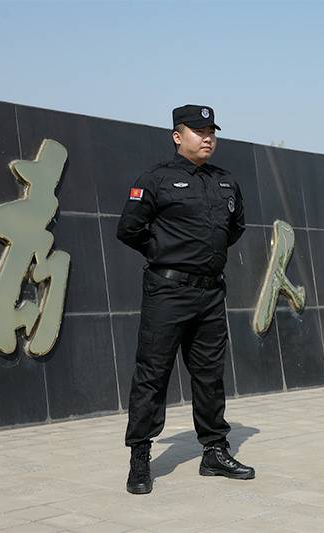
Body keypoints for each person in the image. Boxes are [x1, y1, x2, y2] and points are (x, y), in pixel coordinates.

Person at [117, 104, 254, 495]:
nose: (208, 137)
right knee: (152, 373)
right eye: (199, 131)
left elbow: (234, 228)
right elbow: (129, 229)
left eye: (211, 131)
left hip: (210, 292)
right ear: (178, 137)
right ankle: (140, 457)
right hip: (167, 291)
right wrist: (166, 254)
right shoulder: (156, 179)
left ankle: (215, 451)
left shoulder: (226, 182)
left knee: (210, 375)